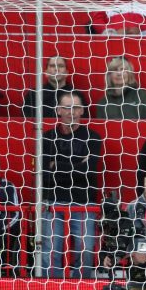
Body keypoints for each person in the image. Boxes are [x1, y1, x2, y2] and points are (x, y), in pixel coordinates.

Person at [41, 92, 102, 278]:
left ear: (82, 110)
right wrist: (77, 165)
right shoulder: (47, 137)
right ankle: (50, 289)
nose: (71, 112)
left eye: (75, 107)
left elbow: (88, 170)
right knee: (50, 250)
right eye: (66, 107)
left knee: (86, 249)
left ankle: (80, 287)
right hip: (53, 202)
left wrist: (58, 165)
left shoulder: (93, 137)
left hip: (83, 203)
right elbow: (45, 172)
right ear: (58, 110)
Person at [95, 56, 146, 120]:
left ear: (129, 73)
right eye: (115, 70)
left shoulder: (142, 96)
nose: (119, 73)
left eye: (122, 69)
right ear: (109, 75)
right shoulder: (103, 102)